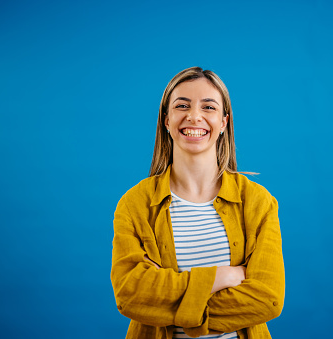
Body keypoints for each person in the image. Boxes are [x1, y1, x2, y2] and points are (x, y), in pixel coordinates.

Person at [111, 67, 285, 339]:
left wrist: (170, 299)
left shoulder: (258, 202)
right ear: (166, 120)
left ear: (224, 122)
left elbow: (268, 299)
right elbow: (131, 295)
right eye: (182, 105)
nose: (194, 116)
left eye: (208, 107)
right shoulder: (135, 205)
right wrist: (221, 277)